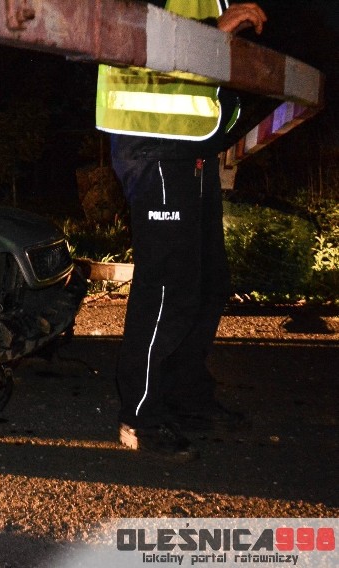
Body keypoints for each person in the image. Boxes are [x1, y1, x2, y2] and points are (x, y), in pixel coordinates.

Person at [96, 1, 268, 460]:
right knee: (168, 289)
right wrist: (214, 29)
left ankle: (185, 396)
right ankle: (140, 416)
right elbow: (121, 30)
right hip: (153, 139)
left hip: (190, 143)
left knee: (209, 284)